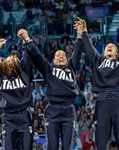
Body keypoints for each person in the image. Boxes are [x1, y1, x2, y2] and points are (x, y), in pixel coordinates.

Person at [17, 19, 83, 150]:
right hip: (52, 109)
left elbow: (77, 52)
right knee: (52, 146)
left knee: (67, 146)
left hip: (69, 110)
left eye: (63, 55)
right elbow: (37, 56)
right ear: (53, 60)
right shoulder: (49, 69)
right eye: (58, 55)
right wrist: (27, 39)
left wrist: (80, 34)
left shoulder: (71, 67)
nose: (61, 57)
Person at [75, 6, 119, 149]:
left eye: (112, 46)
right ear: (104, 52)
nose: (109, 46)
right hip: (102, 102)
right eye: (107, 46)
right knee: (100, 142)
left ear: (117, 52)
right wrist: (84, 32)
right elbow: (88, 48)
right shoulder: (99, 60)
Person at [0, 38, 33, 150]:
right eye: (8, 63)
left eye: (13, 62)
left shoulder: (24, 74)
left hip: (24, 117)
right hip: (8, 118)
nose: (10, 64)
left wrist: (25, 39)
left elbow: (27, 57)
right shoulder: (0, 77)